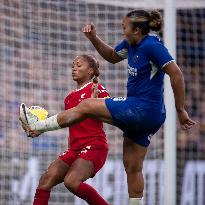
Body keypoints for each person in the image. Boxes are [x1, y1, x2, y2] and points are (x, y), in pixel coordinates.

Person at [19, 10, 196, 205]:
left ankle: (38, 125)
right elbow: (112, 56)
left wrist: (180, 109)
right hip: (142, 116)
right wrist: (94, 38)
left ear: (137, 30)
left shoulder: (152, 45)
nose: (122, 30)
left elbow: (177, 74)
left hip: (143, 108)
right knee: (132, 167)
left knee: (86, 105)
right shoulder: (131, 44)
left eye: (125, 27)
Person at [21, 55, 110, 205]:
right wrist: (39, 130)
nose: (74, 68)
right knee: (45, 180)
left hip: (94, 146)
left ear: (90, 71)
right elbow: (67, 122)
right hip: (74, 149)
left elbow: (110, 113)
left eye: (79, 66)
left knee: (72, 181)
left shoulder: (97, 89)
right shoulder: (68, 98)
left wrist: (96, 102)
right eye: (73, 66)